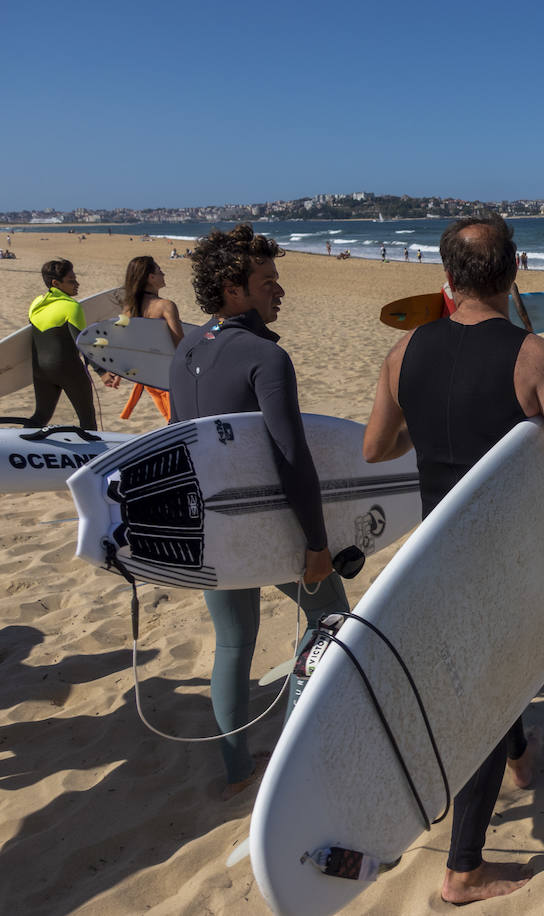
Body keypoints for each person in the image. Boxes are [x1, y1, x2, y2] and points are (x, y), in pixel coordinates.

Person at [362, 214, 544, 904]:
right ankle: (464, 870)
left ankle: (521, 757)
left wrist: (425, 430)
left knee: (493, 676)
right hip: (499, 564)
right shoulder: (537, 359)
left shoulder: (403, 355)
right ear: (516, 269)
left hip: (430, 561)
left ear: (446, 278)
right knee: (486, 694)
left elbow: (375, 448)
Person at [168, 224, 351, 799]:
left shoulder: (186, 349)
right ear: (232, 288)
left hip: (205, 525)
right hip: (264, 527)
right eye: (268, 281)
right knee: (329, 623)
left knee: (232, 641)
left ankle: (236, 769)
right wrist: (317, 544)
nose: (280, 291)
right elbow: (292, 458)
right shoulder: (265, 358)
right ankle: (299, 754)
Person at [27, 259, 98, 429]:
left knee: (41, 416)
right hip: (69, 369)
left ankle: (17, 446)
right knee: (87, 420)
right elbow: (83, 343)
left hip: (40, 370)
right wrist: (101, 370)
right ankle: (92, 456)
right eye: (71, 281)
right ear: (56, 283)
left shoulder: (36, 304)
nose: (77, 284)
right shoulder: (72, 307)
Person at [112, 255, 184, 419]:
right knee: (177, 420)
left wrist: (119, 372)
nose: (163, 274)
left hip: (148, 378)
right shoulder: (165, 306)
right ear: (151, 278)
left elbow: (126, 344)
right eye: (160, 271)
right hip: (167, 376)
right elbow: (180, 345)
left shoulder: (129, 308)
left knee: (170, 418)